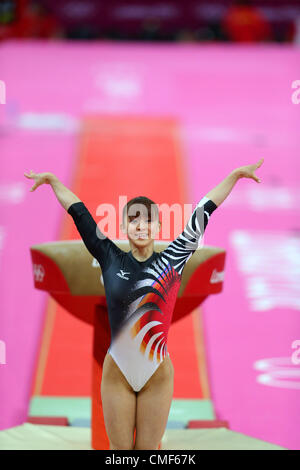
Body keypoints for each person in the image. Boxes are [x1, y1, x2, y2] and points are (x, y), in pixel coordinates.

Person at [24, 158, 264, 450]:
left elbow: (205, 209)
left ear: (158, 225)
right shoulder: (109, 255)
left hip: (157, 376)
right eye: (133, 220)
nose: (141, 226)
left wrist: (235, 175)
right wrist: (53, 181)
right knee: (120, 454)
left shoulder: (174, 257)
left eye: (147, 220)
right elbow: (79, 213)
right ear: (124, 226)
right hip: (117, 375)